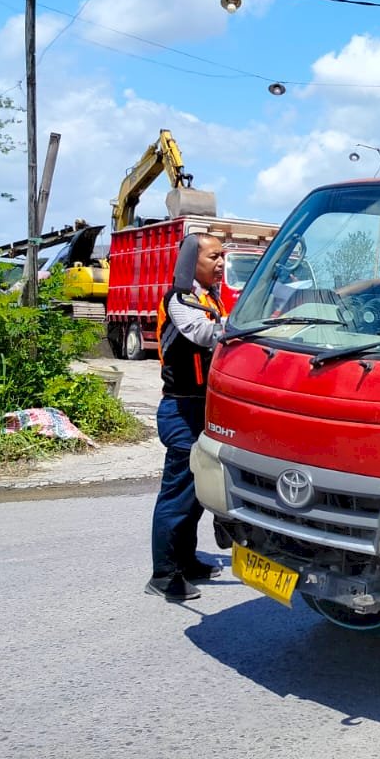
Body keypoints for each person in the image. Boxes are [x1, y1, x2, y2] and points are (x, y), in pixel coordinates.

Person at [146, 233, 227, 604]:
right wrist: (241, 328)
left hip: (203, 409)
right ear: (192, 260)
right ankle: (164, 574)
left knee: (196, 494)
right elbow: (202, 333)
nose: (221, 263)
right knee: (177, 492)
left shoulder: (210, 299)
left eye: (223, 256)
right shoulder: (179, 299)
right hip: (180, 410)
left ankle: (187, 561)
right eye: (214, 256)